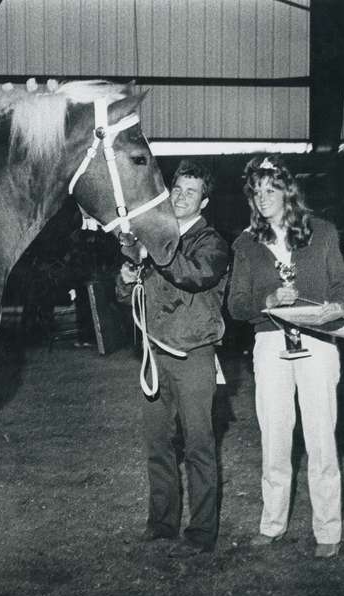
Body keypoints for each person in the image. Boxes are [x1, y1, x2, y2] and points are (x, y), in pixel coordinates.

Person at [227, 155, 344, 559]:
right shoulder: (245, 243)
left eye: (270, 189)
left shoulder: (322, 232)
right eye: (256, 191)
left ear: (287, 191)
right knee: (275, 438)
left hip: (318, 343)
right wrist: (266, 300)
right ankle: (272, 524)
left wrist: (335, 307)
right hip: (270, 344)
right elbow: (237, 305)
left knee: (320, 439)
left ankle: (328, 530)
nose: (263, 198)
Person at [117, 159, 230, 557]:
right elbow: (127, 292)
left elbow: (194, 276)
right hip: (154, 354)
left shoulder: (212, 242)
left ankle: (202, 529)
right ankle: (162, 521)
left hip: (193, 355)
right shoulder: (158, 236)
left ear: (205, 201)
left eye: (190, 192)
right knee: (157, 443)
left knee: (199, 444)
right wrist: (128, 277)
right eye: (177, 189)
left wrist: (154, 252)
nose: (181, 197)